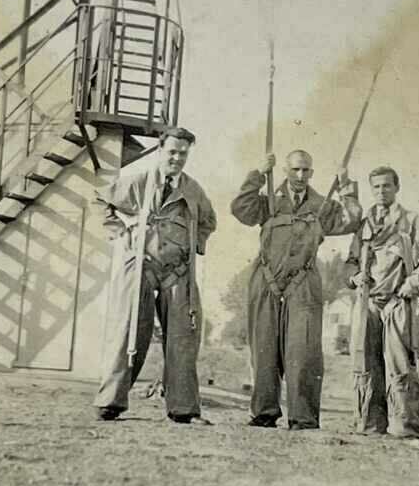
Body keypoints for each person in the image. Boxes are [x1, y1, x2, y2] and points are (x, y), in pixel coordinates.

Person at [94, 126, 217, 423]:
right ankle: (110, 402)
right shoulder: (139, 182)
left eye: (183, 153)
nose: (177, 158)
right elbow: (100, 200)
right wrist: (120, 232)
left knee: (183, 337)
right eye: (172, 151)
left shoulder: (193, 189)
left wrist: (194, 245)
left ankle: (184, 409)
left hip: (177, 272)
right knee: (128, 332)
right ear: (161, 150)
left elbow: (209, 222)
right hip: (140, 267)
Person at [231, 150, 362, 429]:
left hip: (303, 283)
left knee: (303, 352)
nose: (300, 176)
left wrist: (346, 187)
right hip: (266, 280)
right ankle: (263, 413)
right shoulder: (268, 201)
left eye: (306, 171)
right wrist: (257, 174)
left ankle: (303, 417)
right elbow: (240, 209)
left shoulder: (323, 204)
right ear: (286, 172)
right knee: (263, 349)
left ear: (312, 173)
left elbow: (352, 220)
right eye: (295, 170)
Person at [344, 167, 419, 439]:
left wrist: (410, 286)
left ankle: (407, 427)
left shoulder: (412, 222)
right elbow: (349, 263)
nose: (381, 192)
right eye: (376, 187)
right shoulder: (364, 225)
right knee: (364, 363)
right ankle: (369, 425)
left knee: (400, 364)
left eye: (386, 186)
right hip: (368, 302)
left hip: (398, 302)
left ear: (396, 188)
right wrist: (354, 277)